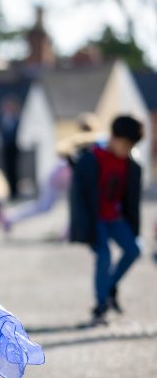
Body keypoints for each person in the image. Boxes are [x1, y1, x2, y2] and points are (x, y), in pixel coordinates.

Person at [69, 115, 145, 325]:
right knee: (104, 255)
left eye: (131, 146)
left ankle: (109, 286)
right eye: (125, 144)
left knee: (134, 250)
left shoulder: (131, 164)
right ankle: (101, 306)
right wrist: (80, 226)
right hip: (96, 220)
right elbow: (78, 197)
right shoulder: (91, 158)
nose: (127, 149)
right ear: (113, 137)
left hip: (115, 217)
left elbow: (132, 198)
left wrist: (134, 227)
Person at [0, 96, 22, 198]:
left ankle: (15, 191)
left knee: (14, 170)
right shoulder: (4, 119)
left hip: (14, 149)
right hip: (5, 150)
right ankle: (9, 190)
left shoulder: (16, 119)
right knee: (7, 170)